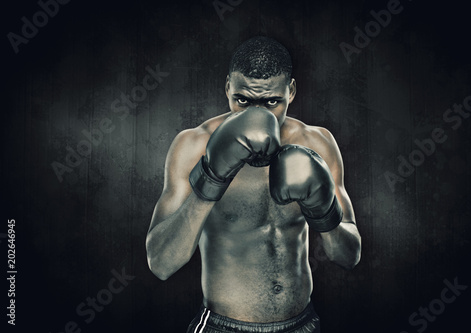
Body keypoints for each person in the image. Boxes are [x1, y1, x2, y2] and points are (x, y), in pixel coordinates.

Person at [146, 36, 361, 333]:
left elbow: (348, 256)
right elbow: (160, 263)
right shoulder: (194, 145)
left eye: (272, 101)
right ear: (227, 88)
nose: (256, 114)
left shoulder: (317, 143)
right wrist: (211, 178)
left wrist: (325, 213)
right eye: (243, 100)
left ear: (291, 91)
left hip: (302, 324)